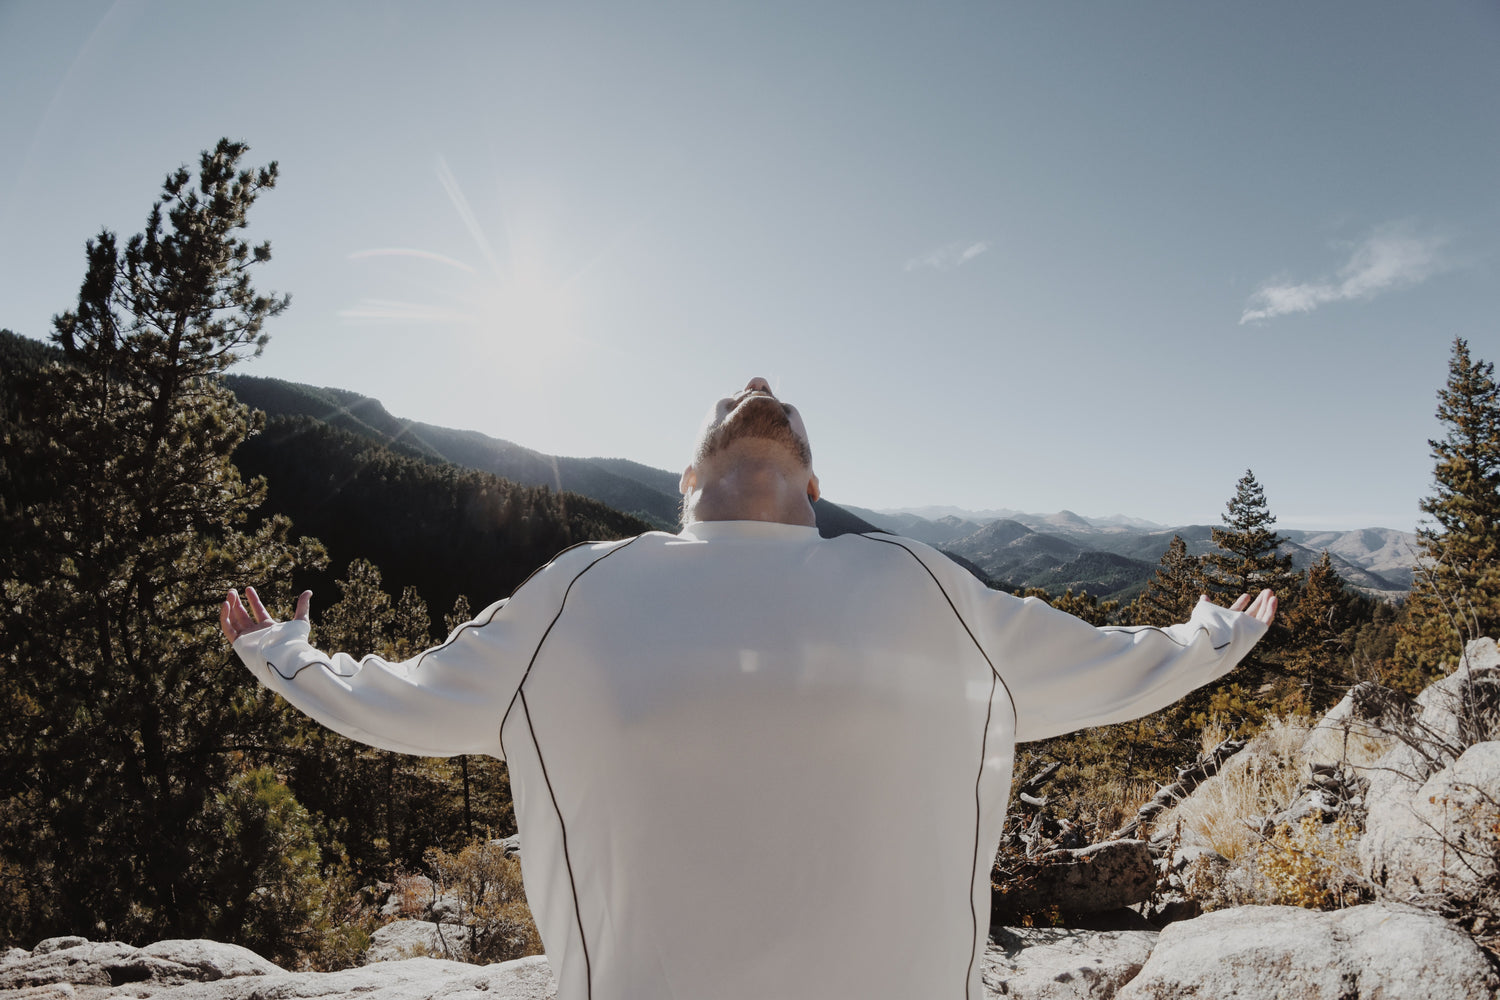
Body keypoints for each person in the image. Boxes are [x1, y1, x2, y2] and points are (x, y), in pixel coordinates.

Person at [223, 377, 1276, 1000]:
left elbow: (1101, 659)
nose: (757, 383)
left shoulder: (920, 584)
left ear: (816, 484)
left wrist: (1215, 635)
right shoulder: (581, 593)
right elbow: (410, 696)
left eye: (775, 401)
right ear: (685, 481)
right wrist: (285, 655)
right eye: (726, 401)